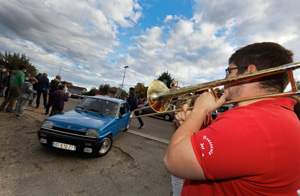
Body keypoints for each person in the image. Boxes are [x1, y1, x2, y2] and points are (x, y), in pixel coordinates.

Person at [164, 42, 300, 195]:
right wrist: (195, 123)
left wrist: (198, 111)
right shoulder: (283, 116)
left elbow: (173, 160)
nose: (225, 79)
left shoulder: (248, 121)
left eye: (230, 71)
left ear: (249, 72)